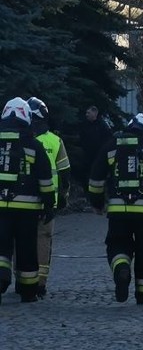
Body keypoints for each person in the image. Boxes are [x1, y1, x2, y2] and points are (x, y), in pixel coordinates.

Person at [87, 113, 143, 305]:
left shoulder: (111, 146)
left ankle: (121, 268)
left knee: (117, 243)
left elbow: (95, 179)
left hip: (118, 212)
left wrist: (97, 203)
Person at [0, 97, 55, 304]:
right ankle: (28, 291)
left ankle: (2, 275)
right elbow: (45, 180)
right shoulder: (33, 144)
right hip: (28, 209)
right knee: (26, 249)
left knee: (1, 244)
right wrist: (49, 205)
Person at [23, 97, 71, 298]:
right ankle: (40, 284)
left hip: (23, 200)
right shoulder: (55, 141)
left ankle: (22, 281)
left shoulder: (23, 141)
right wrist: (63, 197)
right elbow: (65, 172)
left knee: (22, 240)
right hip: (47, 202)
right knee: (43, 240)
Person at [77, 105, 112, 186]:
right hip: (87, 156)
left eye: (88, 112)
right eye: (86, 113)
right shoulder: (85, 125)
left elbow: (108, 140)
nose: (86, 114)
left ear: (95, 113)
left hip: (99, 156)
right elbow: (82, 138)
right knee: (86, 175)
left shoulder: (102, 125)